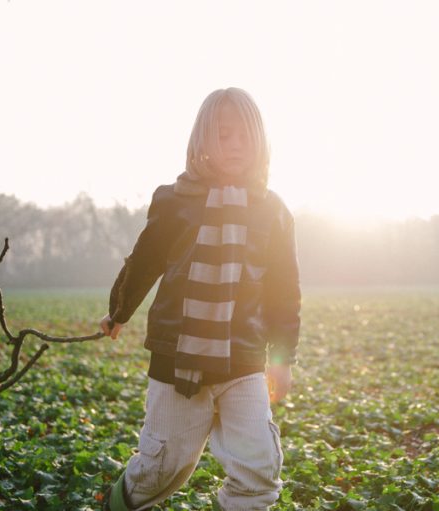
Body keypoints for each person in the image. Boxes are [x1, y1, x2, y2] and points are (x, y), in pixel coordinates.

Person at [98, 87, 301, 511]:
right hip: (177, 360)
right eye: (223, 135)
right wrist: (119, 311)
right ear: (202, 141)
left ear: (260, 141)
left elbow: (284, 292)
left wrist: (282, 360)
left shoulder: (273, 210)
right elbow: (145, 260)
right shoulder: (175, 200)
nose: (235, 145)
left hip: (243, 359)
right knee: (161, 469)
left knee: (259, 470)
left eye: (244, 135)